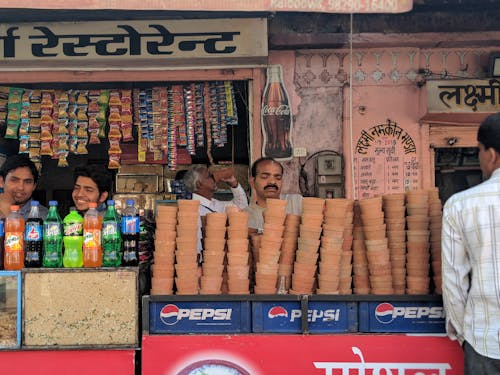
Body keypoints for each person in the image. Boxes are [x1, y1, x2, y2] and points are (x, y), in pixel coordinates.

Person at [441, 112, 500, 375]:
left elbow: (453, 281)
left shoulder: (460, 205)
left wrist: (465, 335)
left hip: (484, 337)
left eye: (479, 151)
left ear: (492, 155)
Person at [183, 164, 248, 253]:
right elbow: (194, 246)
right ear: (199, 184)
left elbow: (241, 206)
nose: (214, 178)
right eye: (209, 176)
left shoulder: (215, 204)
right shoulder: (192, 210)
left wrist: (234, 184)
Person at [246, 157, 302, 233]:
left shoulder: (296, 202)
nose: (272, 182)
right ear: (252, 182)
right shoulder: (246, 216)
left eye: (278, 178)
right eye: (265, 177)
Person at [0, 154, 48, 219]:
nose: (21, 187)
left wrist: (8, 213)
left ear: (34, 186)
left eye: (27, 182)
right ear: (1, 182)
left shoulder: (42, 215)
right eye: (14, 180)